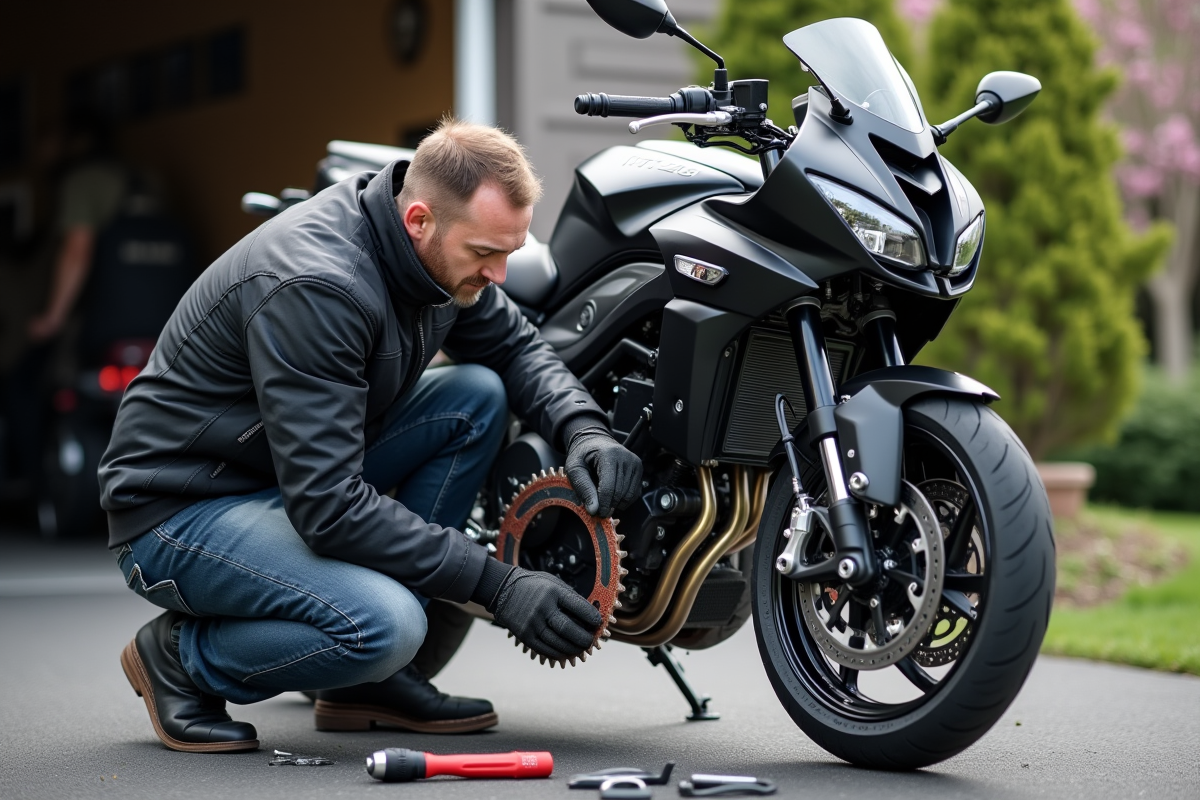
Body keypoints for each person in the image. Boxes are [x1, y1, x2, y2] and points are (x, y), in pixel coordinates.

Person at [98, 119, 643, 753]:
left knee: (475, 396)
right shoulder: (317, 286)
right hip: (182, 506)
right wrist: (495, 582)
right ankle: (179, 659)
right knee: (385, 624)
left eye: (508, 253)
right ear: (419, 221)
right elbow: (327, 507)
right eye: (484, 254)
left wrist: (584, 429)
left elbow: (517, 346)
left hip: (277, 476)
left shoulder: (436, 256)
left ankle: (368, 687)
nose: (498, 275)